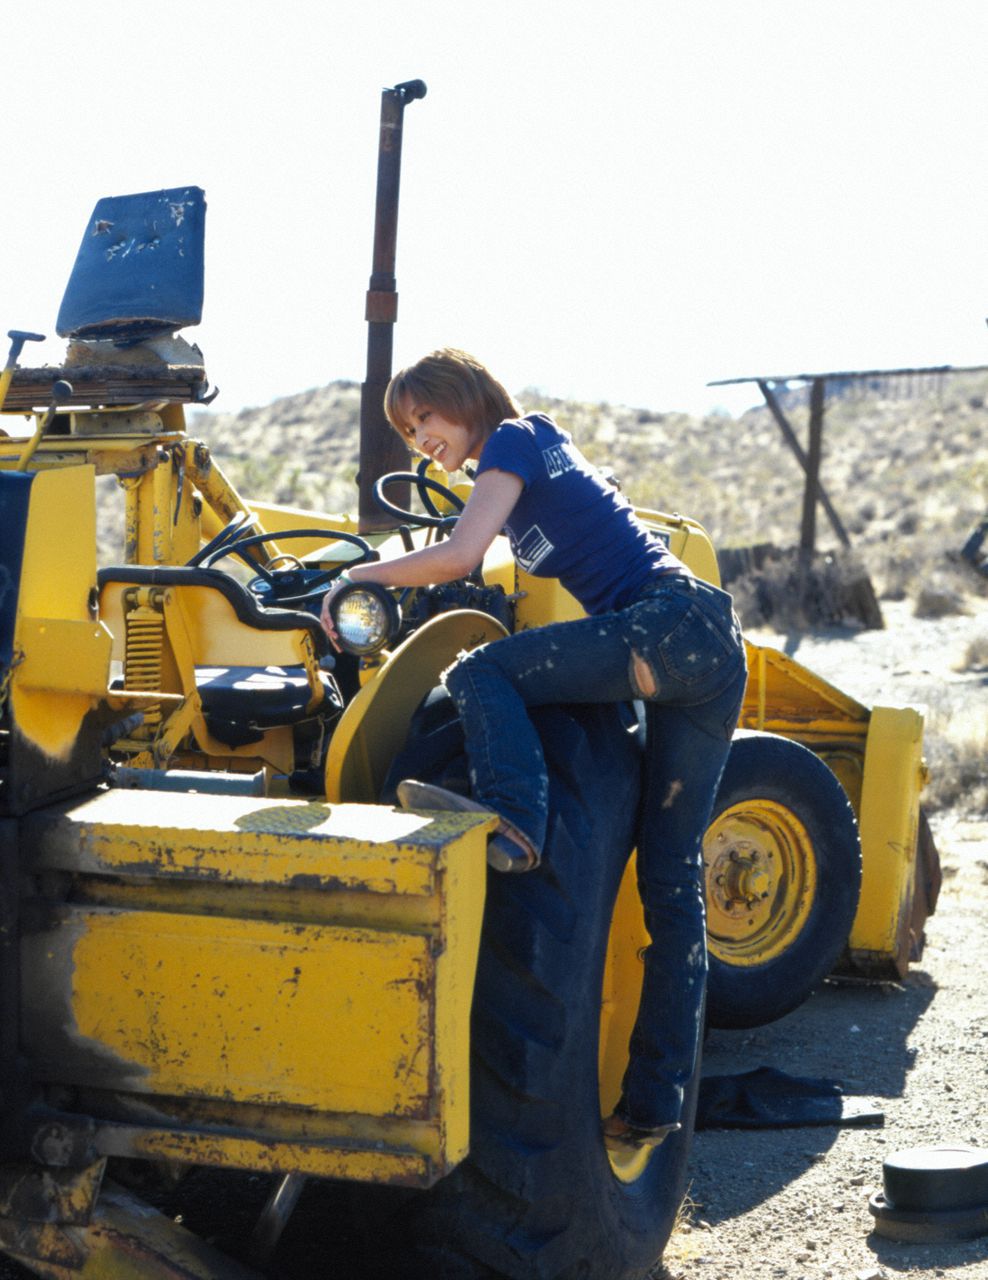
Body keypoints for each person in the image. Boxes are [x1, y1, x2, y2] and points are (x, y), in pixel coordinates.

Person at [319, 347, 747, 1151]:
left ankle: (516, 822)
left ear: (461, 400)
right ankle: (656, 1103)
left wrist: (360, 584)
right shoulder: (536, 446)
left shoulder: (512, 437)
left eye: (425, 421)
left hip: (667, 623)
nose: (420, 443)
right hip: (711, 647)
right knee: (672, 884)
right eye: (408, 432)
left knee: (480, 672)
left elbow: (460, 556)